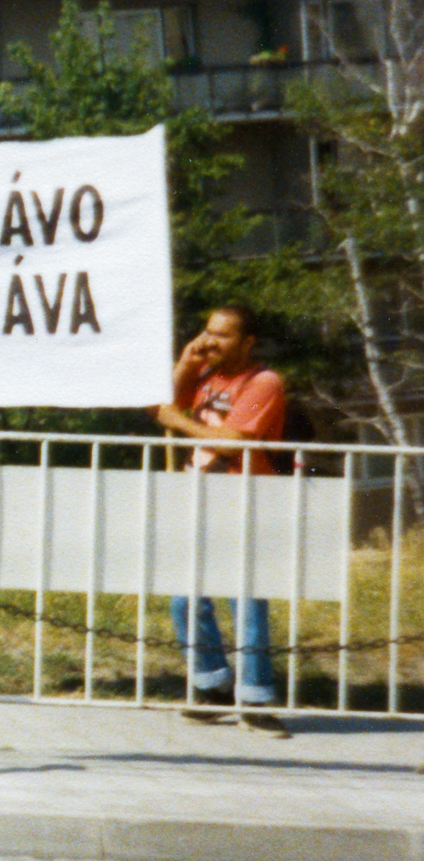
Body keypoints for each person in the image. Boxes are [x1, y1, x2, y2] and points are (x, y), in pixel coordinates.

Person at [152, 305, 288, 725]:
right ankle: (211, 684)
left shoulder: (264, 382)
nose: (210, 341)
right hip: (200, 495)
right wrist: (184, 364)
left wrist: (179, 420)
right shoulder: (206, 376)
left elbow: (234, 444)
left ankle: (256, 696)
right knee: (186, 597)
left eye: (223, 335)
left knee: (245, 599)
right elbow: (162, 407)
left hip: (244, 496)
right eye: (207, 331)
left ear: (248, 343)